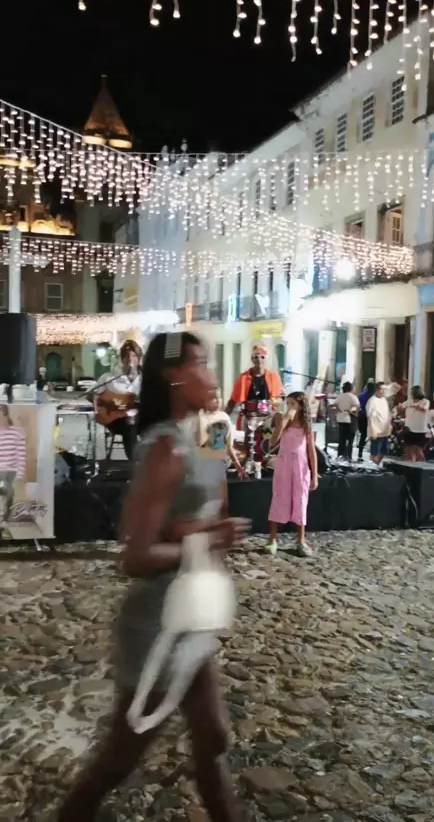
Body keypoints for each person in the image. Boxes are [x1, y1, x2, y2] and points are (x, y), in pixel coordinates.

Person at [56, 331, 249, 822]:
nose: (212, 374)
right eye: (201, 363)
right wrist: (201, 538)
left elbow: (215, 505)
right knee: (121, 757)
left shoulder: (211, 431)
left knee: (212, 737)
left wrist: (204, 528)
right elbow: (137, 556)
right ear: (173, 375)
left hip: (192, 614)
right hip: (158, 626)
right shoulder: (163, 447)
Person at [267, 391, 318, 557]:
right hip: (284, 464)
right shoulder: (281, 419)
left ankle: (301, 540)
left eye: (293, 404)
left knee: (300, 499)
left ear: (301, 406)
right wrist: (283, 422)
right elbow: (273, 441)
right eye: (287, 403)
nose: (289, 407)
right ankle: (272, 539)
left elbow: (311, 450)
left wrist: (315, 474)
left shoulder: (306, 424)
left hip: (300, 465)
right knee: (279, 497)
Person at [94, 339, 142, 460]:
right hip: (117, 420)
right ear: (122, 359)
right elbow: (92, 396)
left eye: (133, 356)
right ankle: (136, 463)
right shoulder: (108, 378)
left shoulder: (145, 379)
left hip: (141, 419)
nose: (130, 359)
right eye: (126, 356)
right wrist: (108, 404)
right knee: (129, 422)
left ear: (138, 358)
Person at [225, 345, 283, 423]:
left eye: (262, 357)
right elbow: (232, 401)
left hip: (268, 417)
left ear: (266, 359)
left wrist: (275, 402)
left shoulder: (273, 376)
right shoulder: (243, 378)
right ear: (252, 359)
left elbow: (281, 397)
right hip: (248, 417)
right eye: (256, 357)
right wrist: (224, 417)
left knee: (276, 422)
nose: (259, 359)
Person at [196, 387, 244, 476]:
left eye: (219, 397)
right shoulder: (199, 417)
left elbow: (229, 446)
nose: (218, 401)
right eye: (213, 398)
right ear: (205, 401)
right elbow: (199, 442)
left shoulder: (224, 417)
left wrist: (237, 464)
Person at [399, 386, 430, 462]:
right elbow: (401, 407)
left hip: (420, 429)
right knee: (408, 448)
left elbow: (424, 409)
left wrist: (413, 405)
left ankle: (421, 463)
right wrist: (400, 407)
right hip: (409, 427)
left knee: (417, 449)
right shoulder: (409, 401)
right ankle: (410, 462)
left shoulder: (425, 401)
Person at [333, 381, 360, 460]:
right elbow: (357, 406)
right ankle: (348, 456)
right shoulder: (353, 396)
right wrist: (354, 413)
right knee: (350, 440)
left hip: (340, 419)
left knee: (342, 439)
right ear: (351, 388)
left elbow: (334, 404)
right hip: (350, 419)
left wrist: (339, 410)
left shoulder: (340, 396)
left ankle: (340, 455)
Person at [367, 382, 391, 465]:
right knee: (375, 451)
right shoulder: (372, 401)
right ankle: (372, 466)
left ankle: (376, 464)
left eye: (385, 389)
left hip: (385, 430)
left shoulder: (384, 400)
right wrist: (372, 431)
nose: (384, 391)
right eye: (382, 389)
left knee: (384, 450)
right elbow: (370, 417)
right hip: (376, 430)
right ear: (377, 390)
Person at [357, 379, 375, 460]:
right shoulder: (375, 397)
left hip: (362, 417)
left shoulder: (361, 396)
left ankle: (360, 453)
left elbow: (358, 407)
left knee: (363, 435)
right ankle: (372, 454)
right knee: (373, 435)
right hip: (371, 418)